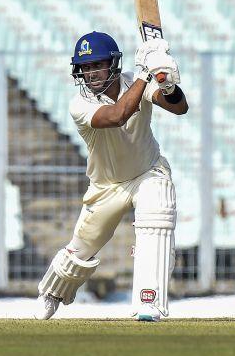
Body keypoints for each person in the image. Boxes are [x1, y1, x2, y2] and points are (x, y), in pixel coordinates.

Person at [37, 32, 188, 322]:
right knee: (80, 251)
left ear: (113, 65)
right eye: (86, 67)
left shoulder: (136, 82)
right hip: (106, 186)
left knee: (157, 209)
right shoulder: (79, 104)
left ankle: (150, 302)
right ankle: (52, 292)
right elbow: (118, 115)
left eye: (98, 65)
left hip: (147, 170)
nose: (91, 73)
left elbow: (180, 108)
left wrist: (167, 85)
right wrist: (147, 73)